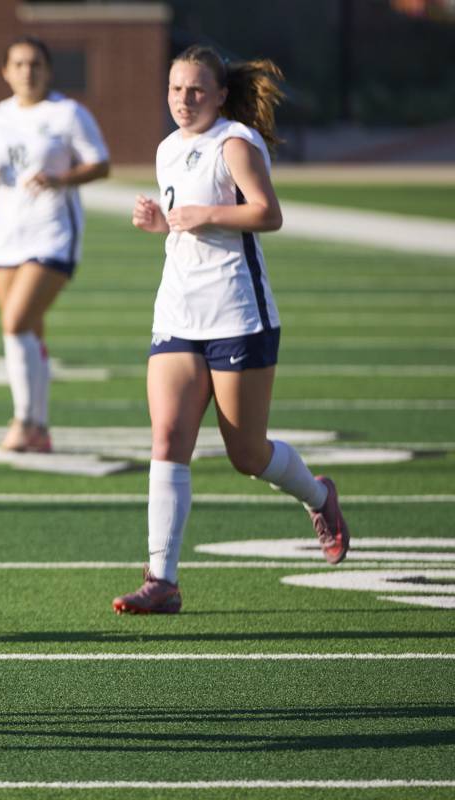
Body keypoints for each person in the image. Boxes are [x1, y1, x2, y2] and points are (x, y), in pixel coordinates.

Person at [114, 45, 350, 615]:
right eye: (175, 89)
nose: (183, 99)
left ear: (220, 95)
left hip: (238, 314)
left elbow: (267, 213)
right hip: (176, 313)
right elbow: (182, 225)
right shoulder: (168, 148)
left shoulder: (234, 142)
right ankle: (162, 579)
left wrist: (207, 215)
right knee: (168, 439)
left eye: (196, 90)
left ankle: (318, 496)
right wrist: (158, 225)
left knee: (246, 453)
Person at [0, 36, 110, 453]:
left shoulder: (67, 113)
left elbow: (100, 163)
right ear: (6, 71)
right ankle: (41, 428)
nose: (28, 71)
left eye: (35, 64)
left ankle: (23, 421)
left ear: (48, 69)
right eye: (19, 64)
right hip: (7, 233)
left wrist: (61, 178)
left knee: (16, 324)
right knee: (28, 332)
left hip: (52, 232)